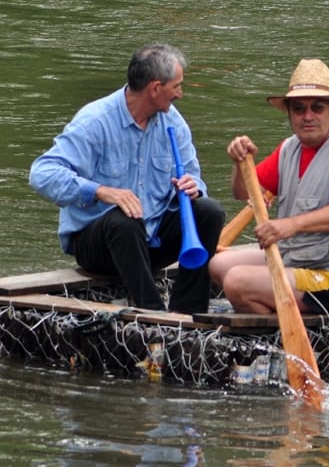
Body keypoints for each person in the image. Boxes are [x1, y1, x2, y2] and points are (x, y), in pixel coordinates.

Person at [29, 43, 225, 314]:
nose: (180, 93)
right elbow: (42, 173)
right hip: (101, 244)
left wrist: (193, 188)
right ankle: (153, 314)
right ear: (155, 88)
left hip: (150, 240)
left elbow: (194, 175)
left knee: (209, 211)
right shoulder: (94, 121)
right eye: (176, 86)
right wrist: (102, 191)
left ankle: (189, 311)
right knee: (125, 220)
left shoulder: (173, 122)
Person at [209, 59, 329, 315]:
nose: (307, 116)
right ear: (289, 113)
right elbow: (242, 193)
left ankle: (272, 333)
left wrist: (289, 225)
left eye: (317, 107)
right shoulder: (290, 148)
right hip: (295, 261)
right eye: (299, 109)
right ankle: (272, 309)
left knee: (236, 281)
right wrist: (239, 163)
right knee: (218, 265)